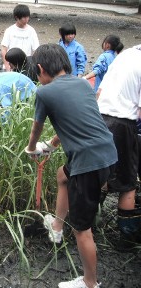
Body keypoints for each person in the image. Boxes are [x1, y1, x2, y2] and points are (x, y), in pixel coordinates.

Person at [25, 44, 117, 288]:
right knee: (62, 175)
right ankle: (56, 226)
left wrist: (32, 148)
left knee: (81, 229)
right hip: (107, 152)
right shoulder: (81, 84)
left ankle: (90, 283)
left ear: (41, 69)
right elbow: (77, 121)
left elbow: (36, 128)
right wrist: (53, 145)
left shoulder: (45, 93)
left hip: (88, 162)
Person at [97, 44, 141, 248]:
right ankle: (126, 239)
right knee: (128, 182)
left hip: (99, 119)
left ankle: (88, 224)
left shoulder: (125, 55)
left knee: (99, 174)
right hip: (123, 124)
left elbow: (100, 91)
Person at [1, 4, 39, 71]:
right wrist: (7, 66)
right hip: (11, 65)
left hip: (26, 66)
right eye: (24, 17)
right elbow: (4, 49)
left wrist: (32, 65)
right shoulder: (9, 30)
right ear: (16, 17)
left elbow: (36, 50)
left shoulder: (31, 31)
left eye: (27, 17)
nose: (26, 19)